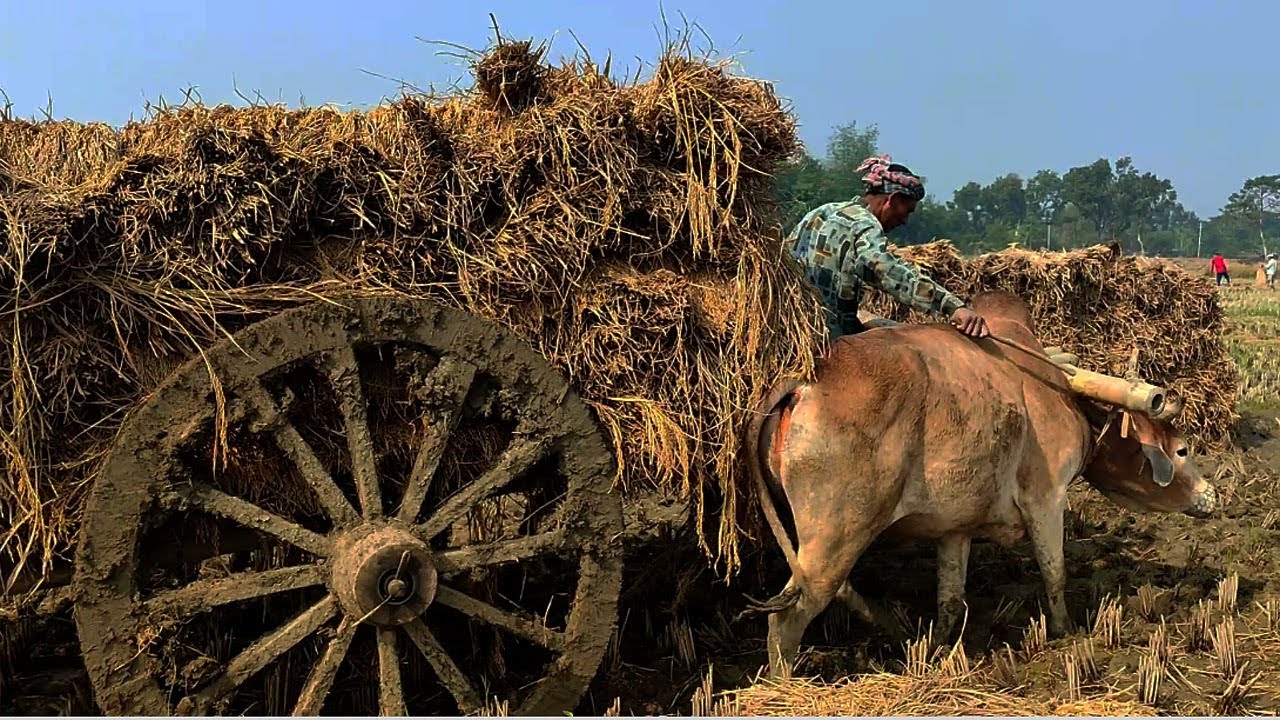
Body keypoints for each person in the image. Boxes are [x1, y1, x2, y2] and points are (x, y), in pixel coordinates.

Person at [786, 155, 990, 340]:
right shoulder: (864, 225)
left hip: (789, 329)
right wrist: (951, 306)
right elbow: (885, 269)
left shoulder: (823, 212)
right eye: (907, 210)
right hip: (825, 339)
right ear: (892, 200)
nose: (904, 221)